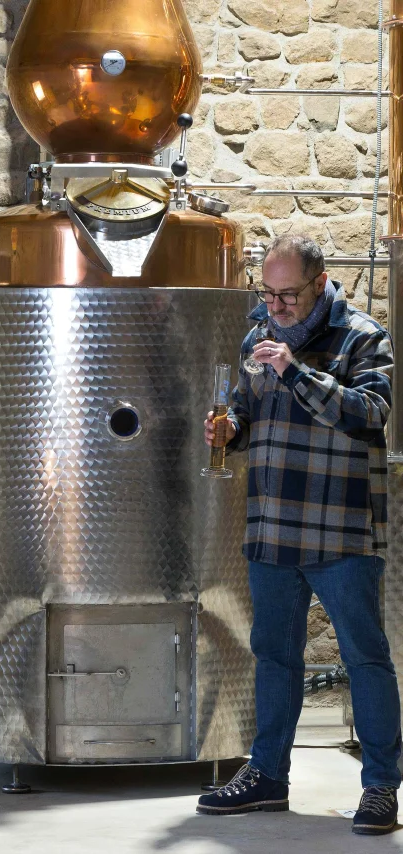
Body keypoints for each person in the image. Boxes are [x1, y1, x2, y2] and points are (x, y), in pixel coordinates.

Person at [198, 234, 401, 835]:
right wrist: (228, 427)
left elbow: (369, 413)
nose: (276, 306)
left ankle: (382, 787)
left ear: (320, 283)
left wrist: (294, 372)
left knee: (365, 657)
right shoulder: (257, 331)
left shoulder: (364, 336)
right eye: (268, 292)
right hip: (273, 522)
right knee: (274, 657)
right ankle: (267, 777)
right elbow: (245, 407)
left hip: (343, 525)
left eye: (288, 295)